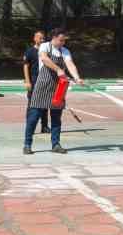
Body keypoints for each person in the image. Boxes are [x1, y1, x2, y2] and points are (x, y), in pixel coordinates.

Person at [24, 26, 83, 155]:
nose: (63, 43)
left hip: (59, 87)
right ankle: (27, 144)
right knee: (33, 117)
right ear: (54, 38)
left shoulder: (65, 51)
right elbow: (44, 59)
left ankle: (55, 144)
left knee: (56, 118)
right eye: (61, 40)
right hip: (42, 86)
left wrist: (77, 78)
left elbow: (70, 64)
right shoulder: (44, 46)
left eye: (64, 41)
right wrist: (58, 69)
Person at [22, 29, 50, 135]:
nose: (42, 40)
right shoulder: (30, 51)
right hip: (33, 81)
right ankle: (30, 126)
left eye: (43, 38)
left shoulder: (47, 51)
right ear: (35, 38)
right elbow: (25, 66)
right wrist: (28, 81)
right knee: (31, 105)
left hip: (45, 81)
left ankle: (44, 126)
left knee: (44, 104)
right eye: (40, 38)